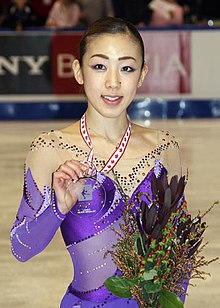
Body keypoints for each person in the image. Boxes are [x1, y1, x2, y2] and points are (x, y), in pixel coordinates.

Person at [10, 17, 184, 307]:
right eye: (99, 66)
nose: (113, 82)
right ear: (78, 70)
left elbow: (179, 254)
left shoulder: (164, 148)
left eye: (126, 68)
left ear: (142, 74)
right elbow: (21, 249)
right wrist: (58, 206)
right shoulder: (51, 149)